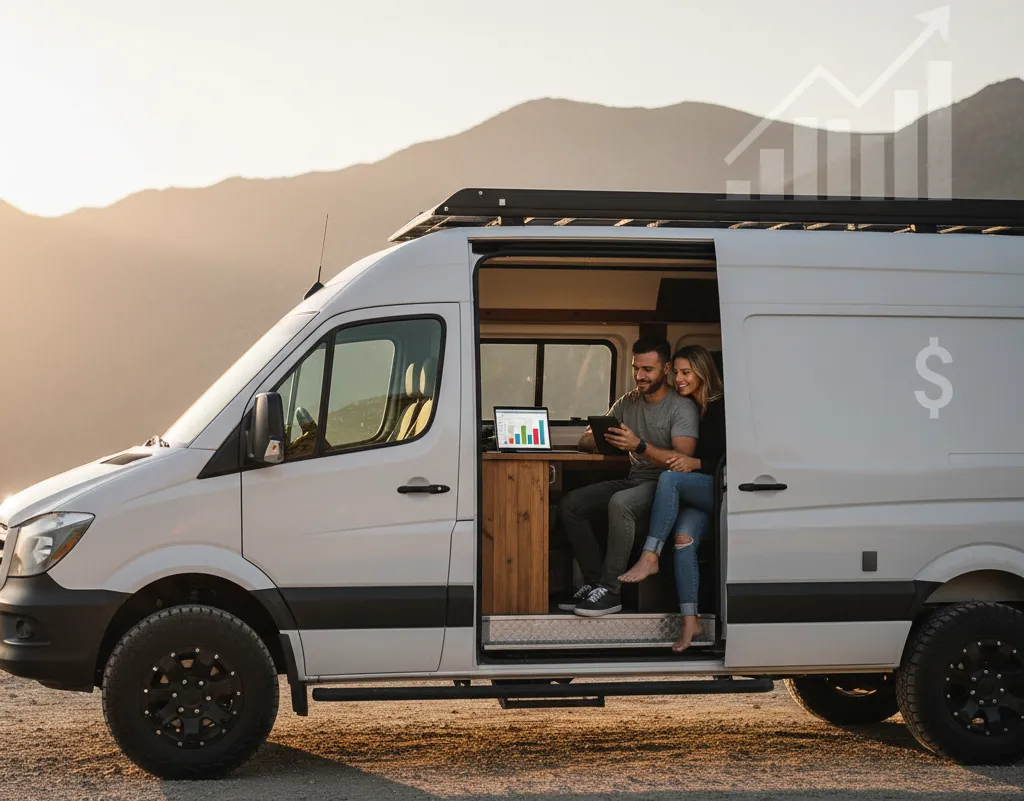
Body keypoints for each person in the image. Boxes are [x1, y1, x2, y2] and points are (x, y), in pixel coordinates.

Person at [557, 338, 700, 617]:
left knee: (620, 503)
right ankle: (594, 584)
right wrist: (606, 439)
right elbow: (586, 440)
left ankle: (611, 590)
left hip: (665, 486)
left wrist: (639, 446)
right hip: (634, 479)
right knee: (571, 504)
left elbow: (682, 460)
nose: (639, 376)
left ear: (666, 369)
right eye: (636, 368)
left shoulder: (681, 407)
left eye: (647, 369)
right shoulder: (628, 401)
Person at [619, 345, 725, 652]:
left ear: (703, 373)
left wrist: (697, 463)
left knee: (669, 479)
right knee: (683, 540)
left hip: (723, 489)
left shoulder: (721, 407)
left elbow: (737, 456)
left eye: (686, 373)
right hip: (699, 491)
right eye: (676, 372)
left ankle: (650, 555)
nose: (678, 379)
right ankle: (691, 620)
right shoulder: (690, 405)